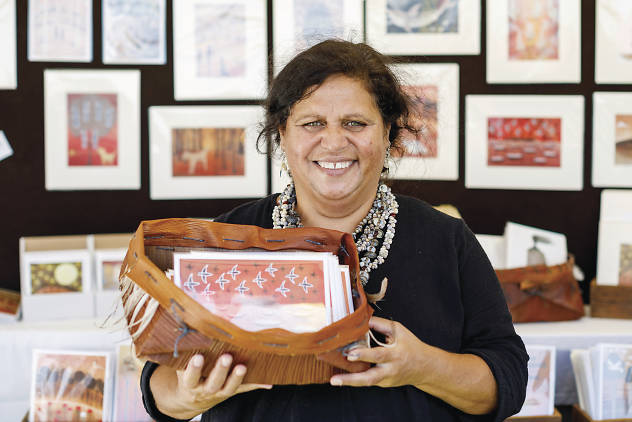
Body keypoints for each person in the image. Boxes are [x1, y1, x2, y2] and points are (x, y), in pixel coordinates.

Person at [141, 39, 528, 421]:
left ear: (389, 134)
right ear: (283, 134)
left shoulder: (447, 241)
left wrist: (424, 366)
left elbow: (507, 380)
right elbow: (159, 384)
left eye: (355, 123)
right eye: (313, 123)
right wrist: (188, 396)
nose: (334, 142)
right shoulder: (228, 238)